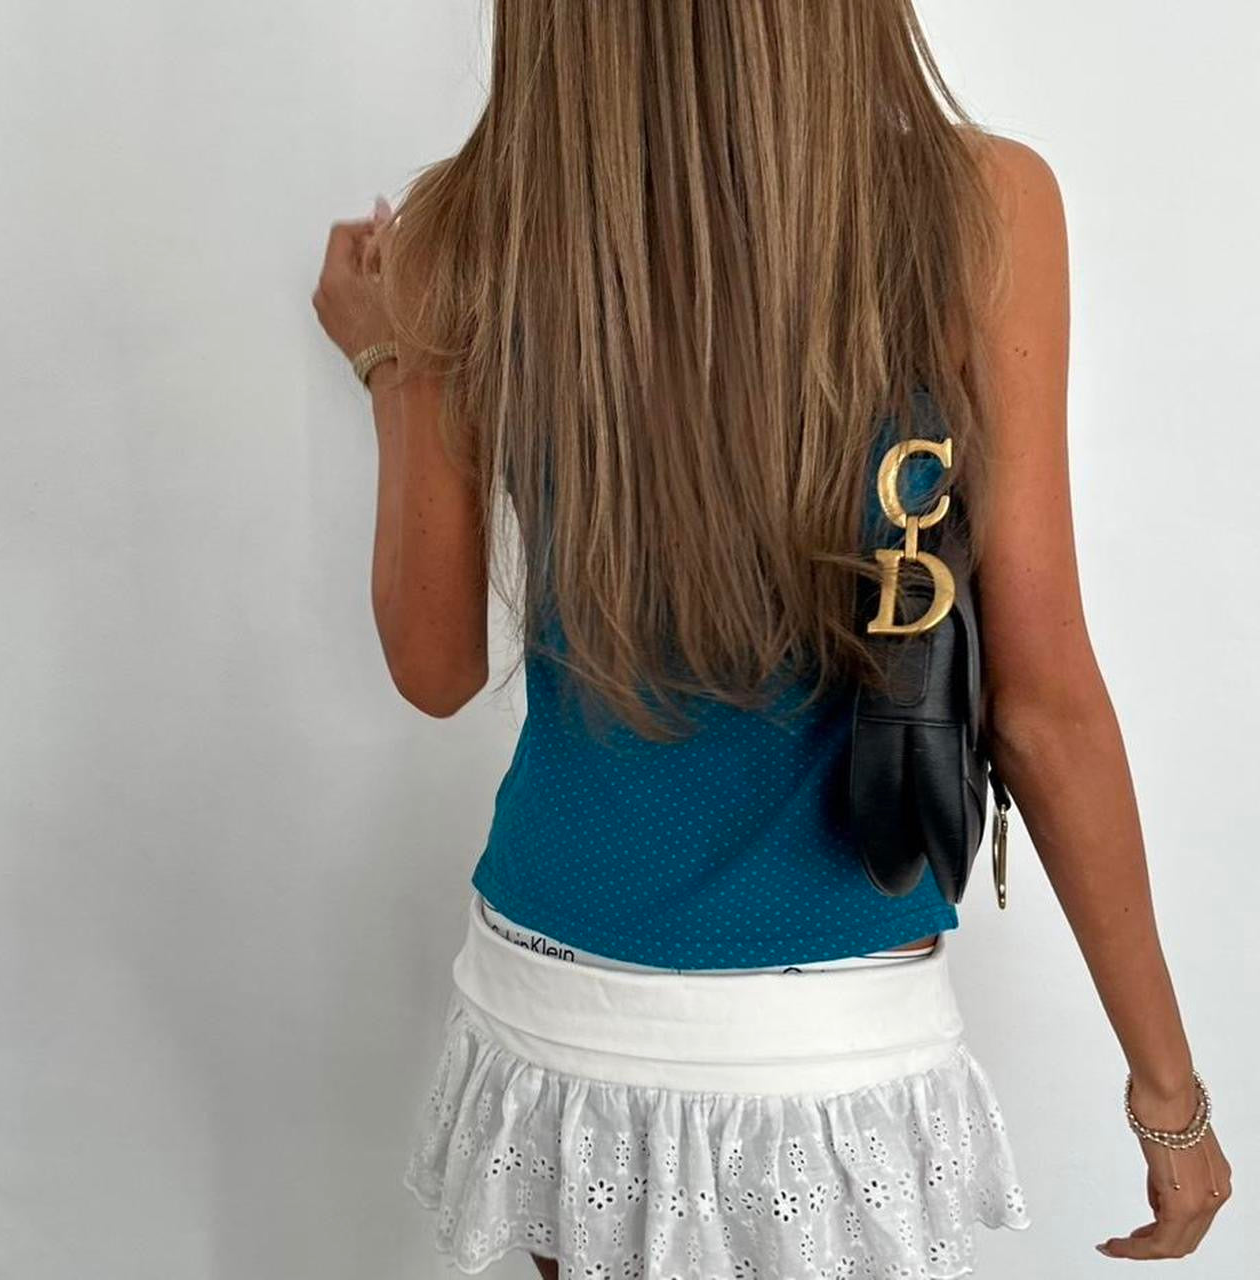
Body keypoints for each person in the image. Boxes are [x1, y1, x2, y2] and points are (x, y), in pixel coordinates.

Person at [312, 4, 1233, 1274]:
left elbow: (432, 670)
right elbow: (1038, 702)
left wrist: (391, 359)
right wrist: (1164, 1091)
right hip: (822, 1039)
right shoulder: (977, 209)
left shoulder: (463, 223)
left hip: (557, 998)